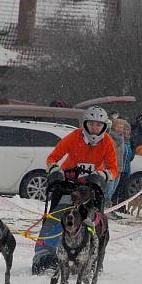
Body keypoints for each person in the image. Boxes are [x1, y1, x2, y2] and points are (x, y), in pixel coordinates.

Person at [37, 106, 118, 274]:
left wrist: (102, 174)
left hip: (91, 187)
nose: (95, 128)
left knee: (92, 221)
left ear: (104, 126)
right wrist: (55, 169)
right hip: (67, 183)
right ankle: (43, 254)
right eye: (92, 124)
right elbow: (53, 157)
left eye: (98, 125)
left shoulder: (108, 141)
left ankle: (91, 256)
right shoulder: (74, 137)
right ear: (85, 124)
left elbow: (114, 169)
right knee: (57, 216)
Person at [113, 120, 135, 207]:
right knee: (115, 190)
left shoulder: (130, 142)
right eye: (124, 129)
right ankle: (114, 206)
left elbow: (130, 157)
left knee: (123, 190)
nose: (126, 131)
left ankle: (121, 207)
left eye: (127, 130)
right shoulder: (118, 140)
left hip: (126, 169)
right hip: (118, 169)